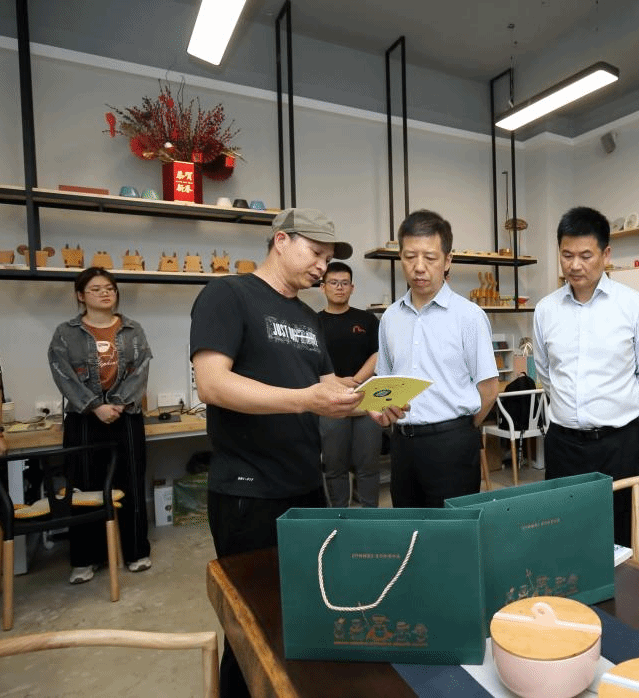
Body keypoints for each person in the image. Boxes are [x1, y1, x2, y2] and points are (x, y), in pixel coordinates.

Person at [189, 208, 362, 698]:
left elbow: (327, 386)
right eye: (316, 253)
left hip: (305, 486)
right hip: (249, 493)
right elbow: (212, 384)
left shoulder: (307, 317)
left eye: (329, 258)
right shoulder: (229, 295)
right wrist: (305, 399)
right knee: (251, 624)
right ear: (281, 241)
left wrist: (371, 402)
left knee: (306, 611)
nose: (323, 266)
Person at [533, 206, 639, 547]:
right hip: (563, 443)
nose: (575, 265)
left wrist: (621, 410)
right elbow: (546, 372)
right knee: (562, 532)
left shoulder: (634, 306)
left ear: (606, 255)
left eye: (586, 255)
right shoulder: (545, 310)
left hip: (617, 443)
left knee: (617, 534)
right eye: (567, 255)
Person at [370, 209, 499, 508]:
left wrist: (459, 428)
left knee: (452, 530)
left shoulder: (469, 316)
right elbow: (384, 381)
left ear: (447, 260)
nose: (419, 267)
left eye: (430, 258)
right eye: (409, 257)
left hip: (452, 443)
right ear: (400, 258)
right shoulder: (390, 317)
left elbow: (489, 390)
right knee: (408, 527)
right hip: (402, 444)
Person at [48, 267, 153, 584]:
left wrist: (118, 403)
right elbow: (62, 373)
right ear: (81, 296)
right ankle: (85, 559)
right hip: (83, 417)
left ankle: (136, 552)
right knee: (83, 487)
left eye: (109, 288)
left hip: (126, 415)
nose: (105, 293)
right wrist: (95, 405)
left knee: (131, 482)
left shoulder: (132, 329)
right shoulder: (66, 333)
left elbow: (141, 369)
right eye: (96, 289)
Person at [318, 260, 383, 507]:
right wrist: (336, 382)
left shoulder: (367, 320)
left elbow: (378, 354)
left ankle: (369, 516)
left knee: (369, 465)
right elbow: (310, 360)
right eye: (333, 282)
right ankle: (339, 516)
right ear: (323, 287)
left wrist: (356, 381)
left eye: (344, 283)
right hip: (331, 401)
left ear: (352, 288)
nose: (339, 287)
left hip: (366, 400)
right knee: (334, 466)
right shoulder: (313, 322)